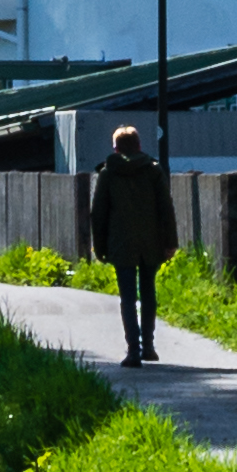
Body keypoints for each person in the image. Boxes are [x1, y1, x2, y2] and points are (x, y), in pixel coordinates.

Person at [86, 115, 176, 361]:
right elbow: (166, 208)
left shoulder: (108, 173)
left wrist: (100, 246)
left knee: (127, 297)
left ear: (115, 148)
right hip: (151, 242)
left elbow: (99, 213)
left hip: (120, 242)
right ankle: (148, 345)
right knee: (148, 293)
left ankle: (132, 350)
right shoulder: (153, 170)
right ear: (138, 145)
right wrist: (171, 242)